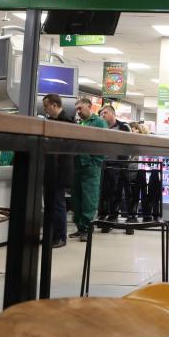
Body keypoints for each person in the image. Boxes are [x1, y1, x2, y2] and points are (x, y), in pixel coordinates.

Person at [70, 97, 108, 241]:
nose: (78, 112)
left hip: (91, 168)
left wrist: (95, 162)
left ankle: (86, 229)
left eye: (80, 108)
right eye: (77, 110)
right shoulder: (80, 124)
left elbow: (105, 144)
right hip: (78, 166)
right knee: (77, 199)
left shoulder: (99, 123)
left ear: (89, 106)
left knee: (89, 199)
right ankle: (80, 228)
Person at [42, 94, 74, 247]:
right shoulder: (50, 121)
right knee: (49, 204)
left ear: (54, 105)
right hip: (50, 168)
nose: (45, 109)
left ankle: (60, 237)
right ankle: (50, 235)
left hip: (60, 169)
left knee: (57, 203)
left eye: (46, 106)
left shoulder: (67, 122)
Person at [98, 104, 132, 230]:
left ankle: (123, 221)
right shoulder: (100, 128)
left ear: (113, 114)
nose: (102, 115)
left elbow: (130, 144)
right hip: (104, 165)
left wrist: (124, 161)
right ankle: (105, 221)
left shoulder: (123, 127)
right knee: (105, 194)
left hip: (119, 165)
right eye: (101, 114)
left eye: (105, 113)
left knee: (119, 194)